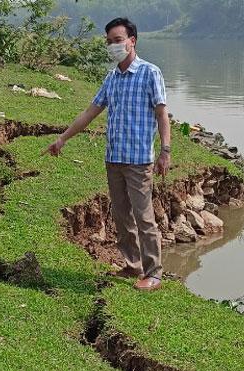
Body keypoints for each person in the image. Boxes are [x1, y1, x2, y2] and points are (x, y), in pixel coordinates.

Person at [43, 17, 171, 292]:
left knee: (144, 217)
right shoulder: (111, 78)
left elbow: (162, 114)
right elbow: (90, 113)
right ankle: (132, 265)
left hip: (139, 162)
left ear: (132, 41)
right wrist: (63, 139)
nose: (113, 46)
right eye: (109, 42)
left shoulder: (150, 73)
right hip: (114, 159)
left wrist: (165, 151)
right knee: (122, 216)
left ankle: (155, 274)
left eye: (117, 40)